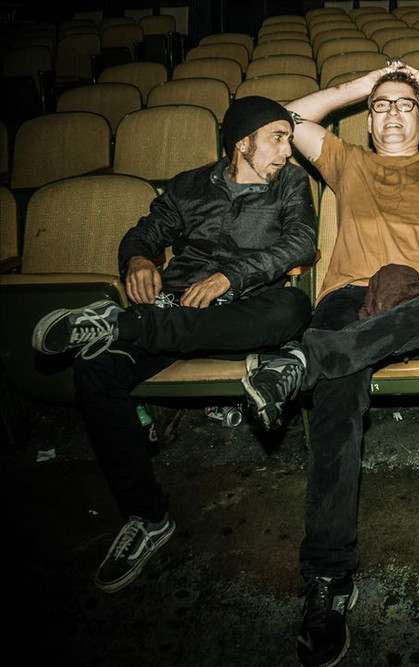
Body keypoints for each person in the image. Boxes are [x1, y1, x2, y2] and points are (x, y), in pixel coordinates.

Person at [240, 63, 419, 667]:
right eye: (381, 107)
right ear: (367, 122)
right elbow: (283, 118)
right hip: (347, 299)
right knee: (339, 396)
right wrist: (364, 85)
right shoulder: (346, 161)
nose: (392, 113)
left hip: (417, 303)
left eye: (404, 105)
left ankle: (304, 360)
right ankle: (327, 578)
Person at [30, 96, 317, 593]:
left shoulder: (290, 183)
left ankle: (122, 325)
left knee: (292, 308)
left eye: (288, 139)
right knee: (95, 370)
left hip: (241, 314)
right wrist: (139, 261)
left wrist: (230, 277)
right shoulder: (187, 185)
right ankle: (146, 517)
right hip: (176, 307)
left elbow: (300, 243)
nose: (287, 150)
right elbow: (143, 233)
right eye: (277, 138)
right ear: (242, 142)